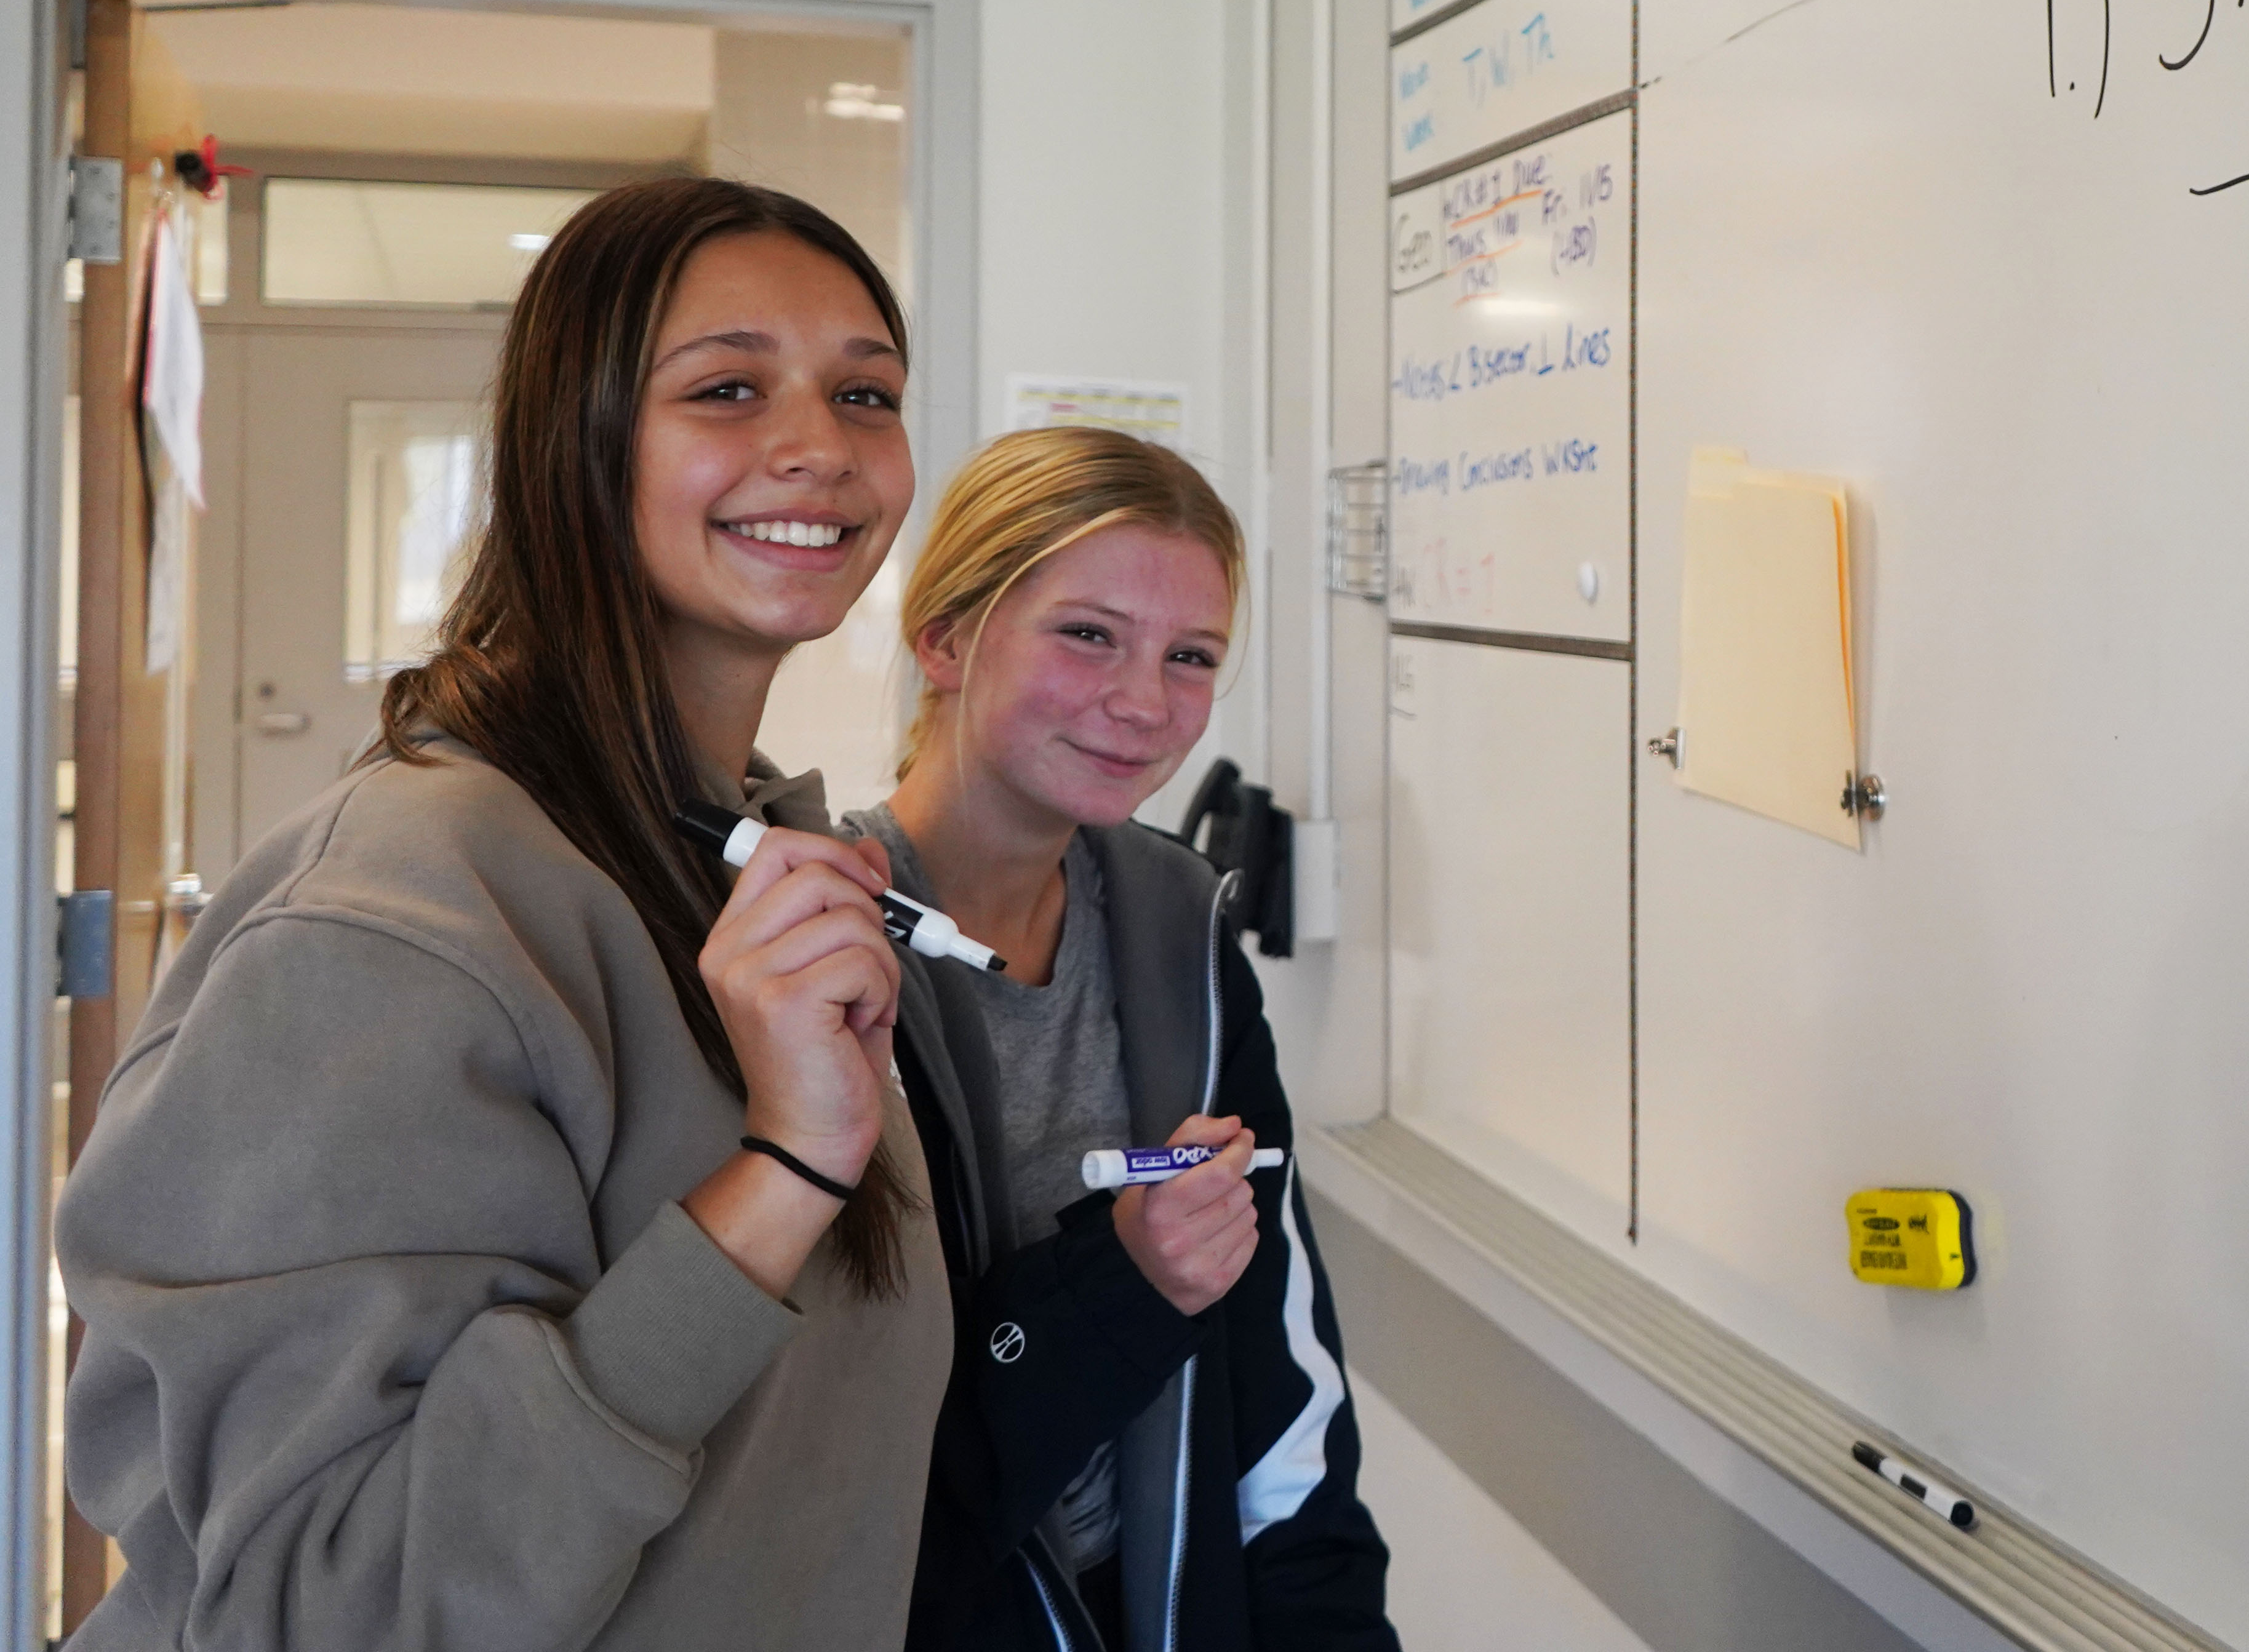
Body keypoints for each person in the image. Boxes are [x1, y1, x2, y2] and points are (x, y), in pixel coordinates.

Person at [57, 178, 951, 1650]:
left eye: (869, 391)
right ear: (577, 443)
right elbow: (333, 1603)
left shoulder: (729, 849)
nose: (821, 447)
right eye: (727, 387)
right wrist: (783, 1168)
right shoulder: (401, 911)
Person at [850, 428, 1396, 1652]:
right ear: (945, 638)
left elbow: (1283, 1393)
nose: (1145, 701)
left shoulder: (1177, 935)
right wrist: (1125, 1283)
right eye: (1088, 633)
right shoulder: (822, 952)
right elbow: (862, 1474)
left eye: (1190, 654)